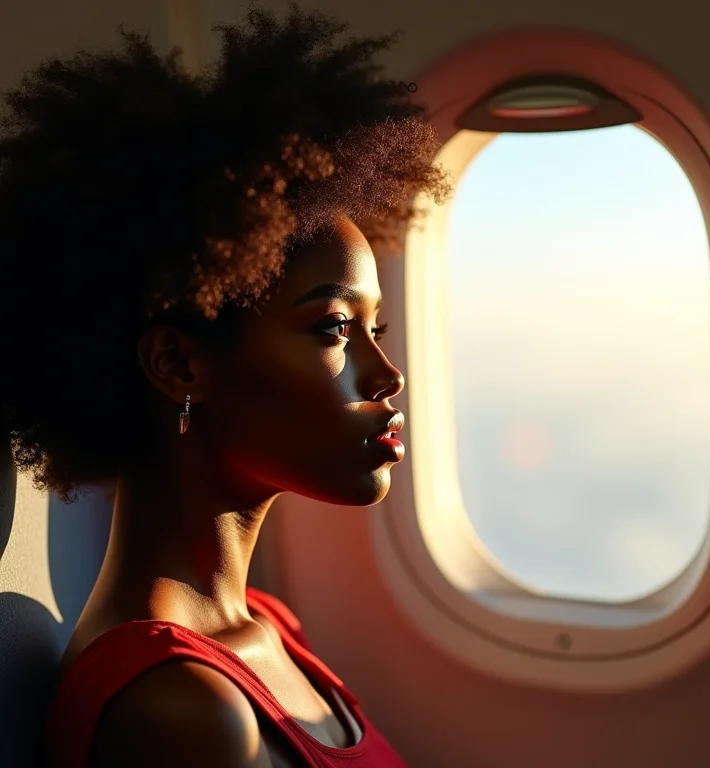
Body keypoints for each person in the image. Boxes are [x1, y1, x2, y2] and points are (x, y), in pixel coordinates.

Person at [0, 2, 453, 766]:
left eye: (378, 330)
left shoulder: (270, 626)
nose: (388, 375)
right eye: (335, 330)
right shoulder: (183, 711)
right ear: (178, 365)